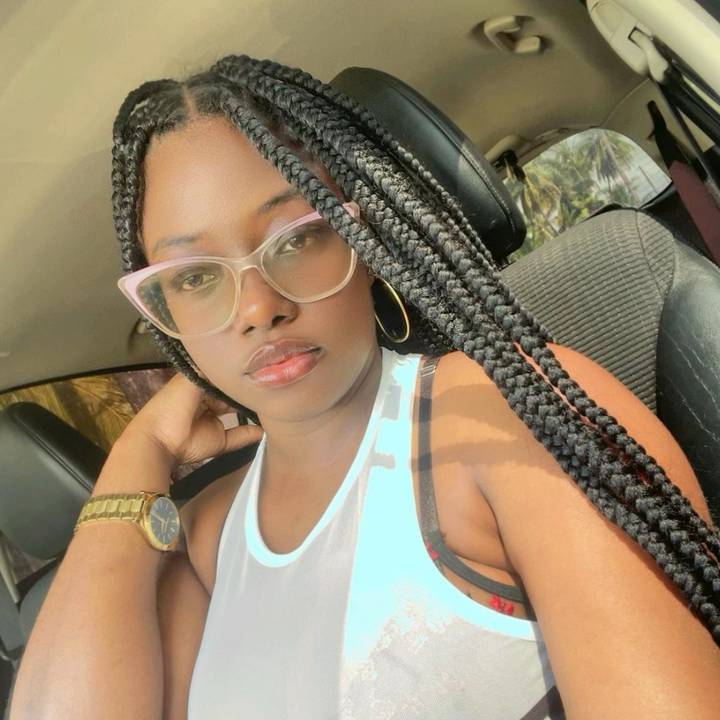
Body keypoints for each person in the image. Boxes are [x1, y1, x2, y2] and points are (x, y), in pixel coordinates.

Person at [9, 55, 720, 720]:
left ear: (365, 241)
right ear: (164, 313)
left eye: (296, 238)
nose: (257, 308)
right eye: (195, 277)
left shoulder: (503, 418)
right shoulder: (207, 540)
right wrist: (138, 455)